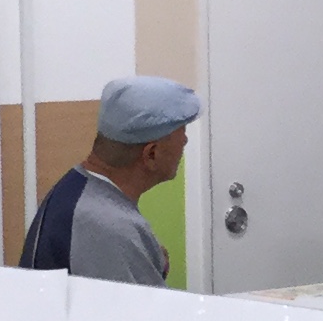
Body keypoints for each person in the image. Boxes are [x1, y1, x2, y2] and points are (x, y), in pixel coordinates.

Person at [19, 75, 199, 285]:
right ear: (151, 154)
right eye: (181, 132)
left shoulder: (75, 186)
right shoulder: (112, 229)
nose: (185, 140)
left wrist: (145, 260)